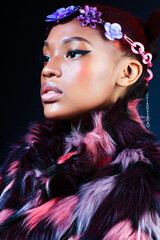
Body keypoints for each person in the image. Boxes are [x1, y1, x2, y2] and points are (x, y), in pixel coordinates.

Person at [0, 4, 160, 239]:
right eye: (46, 57)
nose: (48, 70)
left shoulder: (145, 186)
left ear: (127, 73)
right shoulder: (20, 166)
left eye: (73, 53)